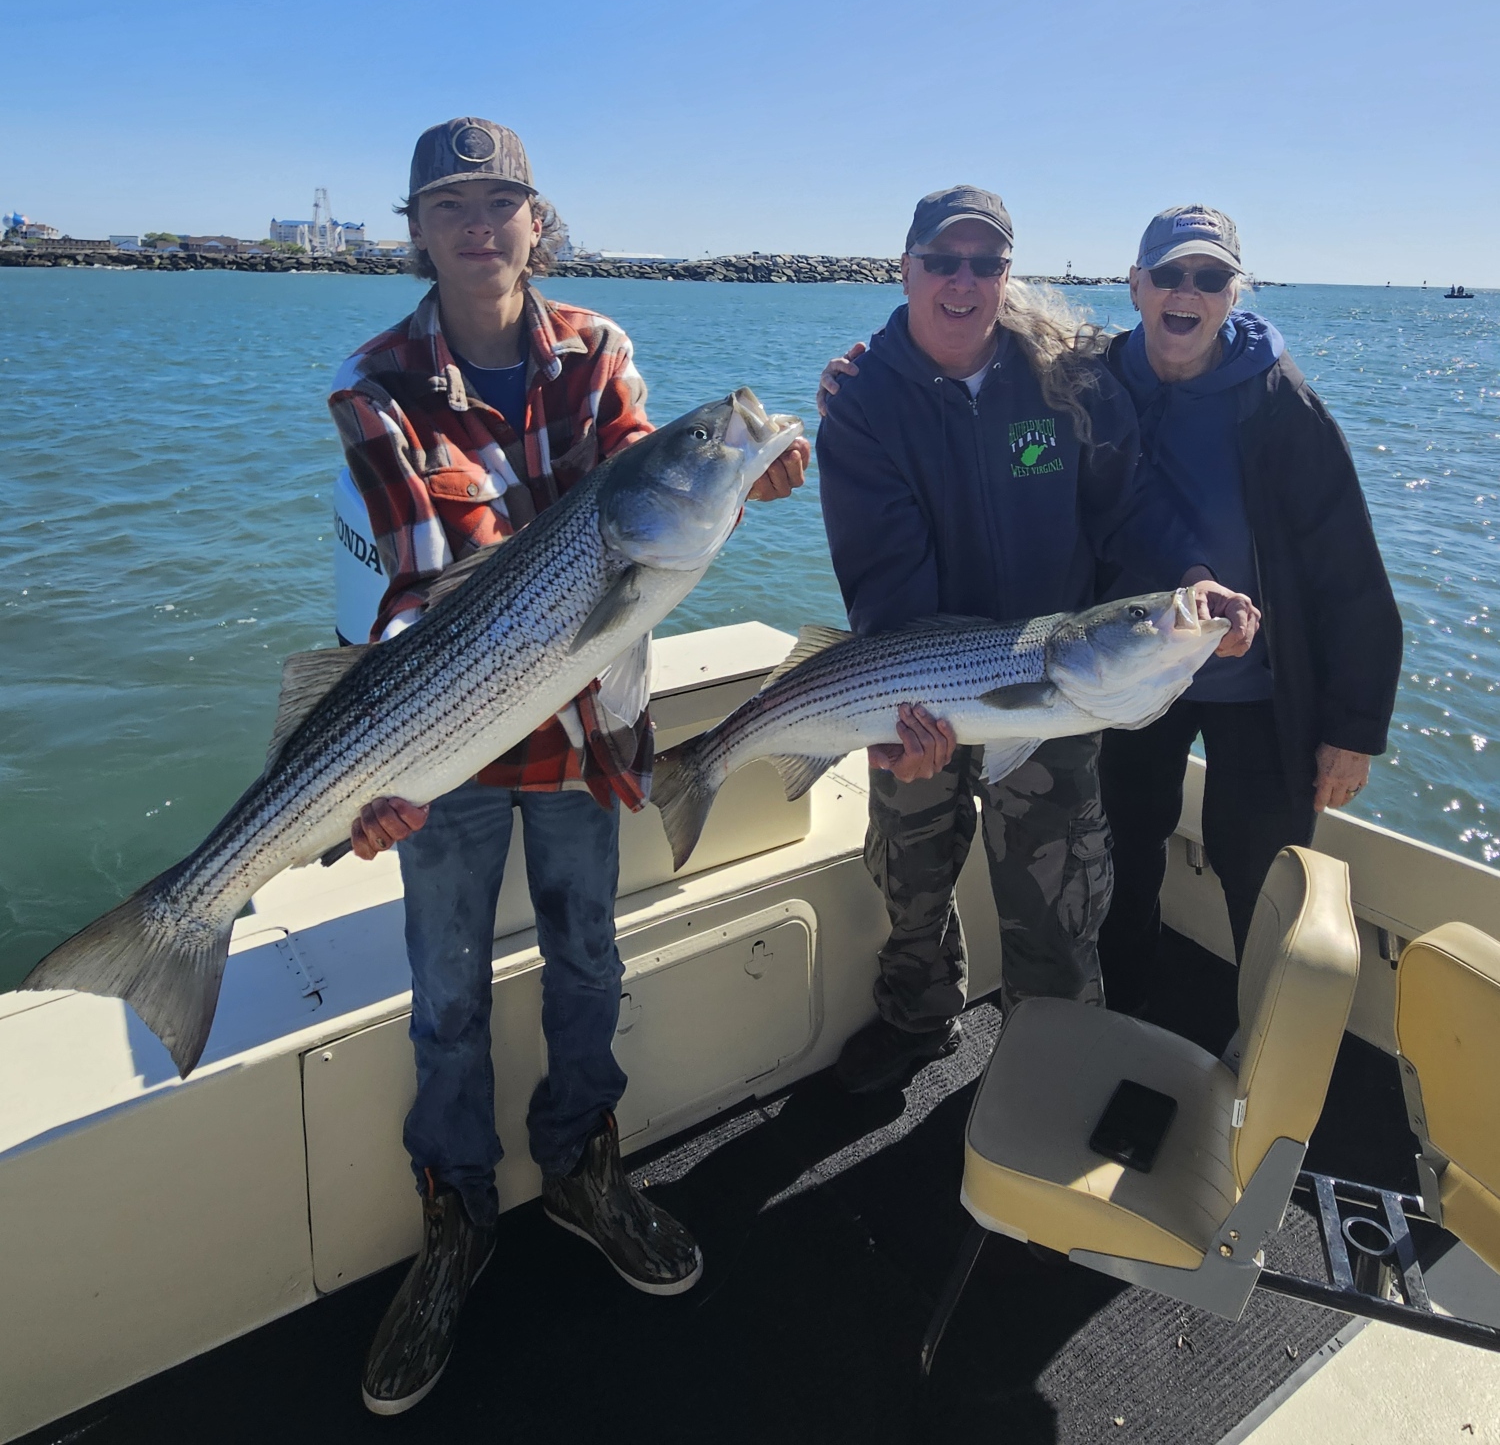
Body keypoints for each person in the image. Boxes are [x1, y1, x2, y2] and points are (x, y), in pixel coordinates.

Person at [329, 119, 809, 1416]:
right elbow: (412, 587)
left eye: (502, 203)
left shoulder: (597, 350)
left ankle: (585, 1170)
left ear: (538, 222)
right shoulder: (375, 384)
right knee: (446, 992)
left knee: (590, 958)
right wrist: (370, 774)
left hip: (584, 727)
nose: (479, 227)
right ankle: (456, 1219)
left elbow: (649, 476)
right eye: (449, 205)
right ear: (416, 229)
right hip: (442, 743)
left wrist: (737, 475)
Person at [814, 186, 1255, 1094]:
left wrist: (1192, 579)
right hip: (923, 678)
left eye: (986, 263)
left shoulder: (1066, 378)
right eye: (943, 260)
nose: (964, 281)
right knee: (910, 873)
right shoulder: (863, 400)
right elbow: (882, 567)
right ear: (906, 269)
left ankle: (1054, 1067)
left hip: (1061, 679)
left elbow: (1131, 511)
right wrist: (907, 707)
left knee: (1059, 901)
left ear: (1008, 274)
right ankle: (917, 1016)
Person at [1095, 205, 1403, 1013]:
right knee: (1122, 845)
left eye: (1210, 277)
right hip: (1136, 671)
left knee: (1260, 868)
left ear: (1235, 294)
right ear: (1135, 286)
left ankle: (1261, 1041)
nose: (1187, 291)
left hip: (1259, 682)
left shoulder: (1279, 400)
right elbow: (989, 361)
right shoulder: (1093, 381)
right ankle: (1125, 1012)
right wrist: (865, 371)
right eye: (1169, 274)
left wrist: (1354, 729)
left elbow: (1350, 570)